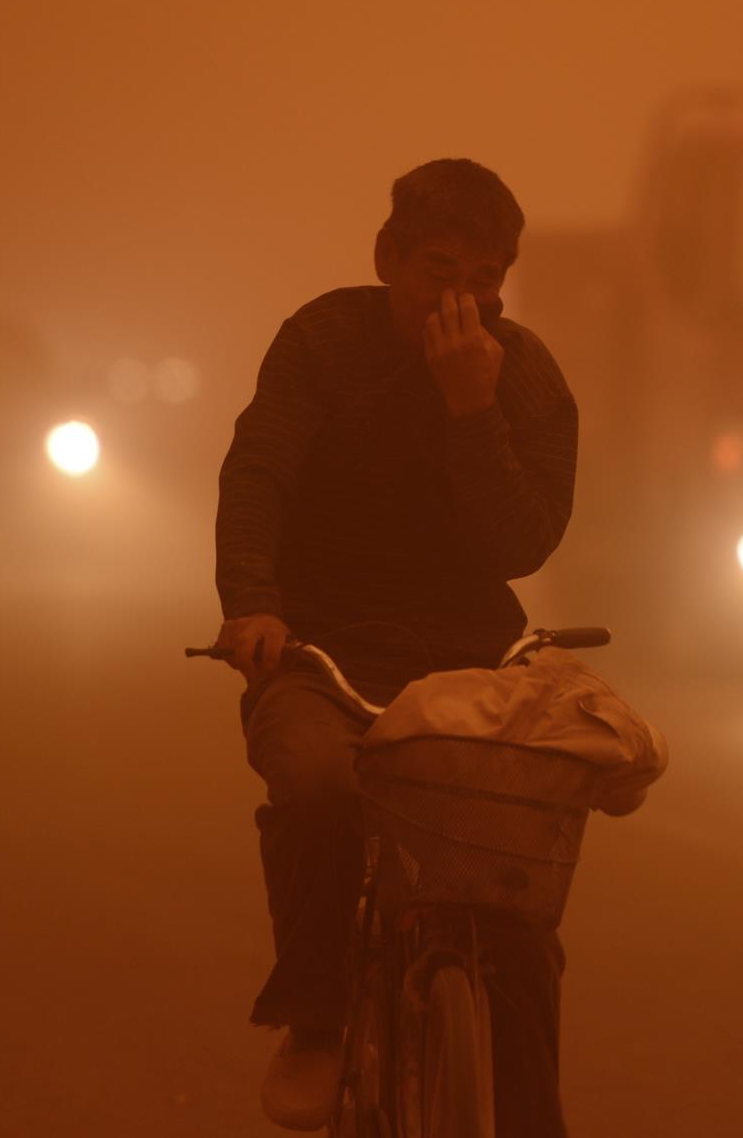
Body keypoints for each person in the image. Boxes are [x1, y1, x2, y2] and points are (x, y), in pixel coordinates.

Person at [213, 158, 578, 1133]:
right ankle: (316, 1020)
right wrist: (253, 605)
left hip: (469, 666)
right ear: (387, 260)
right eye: (437, 270)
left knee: (514, 901)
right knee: (319, 787)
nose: (460, 299)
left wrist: (471, 411)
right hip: (318, 654)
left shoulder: (524, 374)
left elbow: (522, 543)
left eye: (484, 278)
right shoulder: (321, 345)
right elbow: (258, 474)